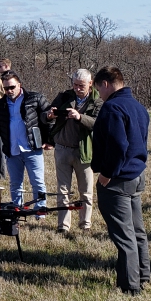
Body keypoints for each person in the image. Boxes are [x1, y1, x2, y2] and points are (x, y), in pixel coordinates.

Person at [91, 66, 151, 295]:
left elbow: (118, 146)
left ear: (106, 84)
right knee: (137, 231)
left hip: (117, 179)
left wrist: (107, 173)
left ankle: (130, 285)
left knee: (124, 235)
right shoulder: (139, 107)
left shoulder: (112, 108)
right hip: (137, 175)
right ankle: (143, 274)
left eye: (99, 89)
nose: (99, 95)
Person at [44, 69, 102, 232]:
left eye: (81, 85)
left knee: (86, 191)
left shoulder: (98, 100)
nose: (77, 88)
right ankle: (63, 225)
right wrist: (49, 115)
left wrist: (80, 117)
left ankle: (85, 224)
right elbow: (45, 115)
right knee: (63, 190)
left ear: (90, 84)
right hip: (62, 149)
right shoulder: (64, 96)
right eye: (75, 85)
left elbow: (98, 123)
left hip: (84, 151)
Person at [0, 70, 52, 211]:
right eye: (6, 88)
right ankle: (17, 209)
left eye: (12, 87)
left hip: (32, 148)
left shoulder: (35, 98)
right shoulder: (0, 105)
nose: (9, 91)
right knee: (15, 183)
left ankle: (40, 210)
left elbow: (49, 119)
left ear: (19, 85)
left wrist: (49, 140)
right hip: (12, 150)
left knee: (37, 182)